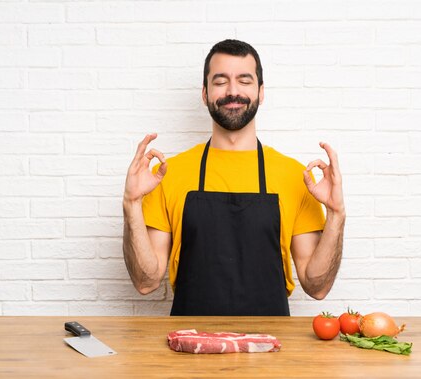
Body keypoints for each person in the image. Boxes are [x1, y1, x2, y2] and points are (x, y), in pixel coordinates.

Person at [122, 39, 345, 316]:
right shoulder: (168, 174)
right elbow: (146, 282)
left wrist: (336, 214)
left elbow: (317, 286)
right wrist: (131, 204)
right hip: (190, 348)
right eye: (220, 81)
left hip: (270, 348)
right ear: (205, 93)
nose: (233, 91)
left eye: (244, 80)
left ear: (261, 92)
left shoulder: (294, 176)